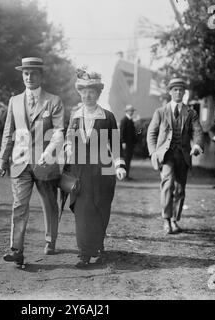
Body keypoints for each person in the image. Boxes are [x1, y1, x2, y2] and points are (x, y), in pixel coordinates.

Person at [0, 57, 64, 265]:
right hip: (20, 162)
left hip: (45, 163)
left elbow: (59, 132)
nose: (29, 77)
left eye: (33, 73)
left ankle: (50, 240)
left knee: (49, 204)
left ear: (41, 76)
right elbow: (8, 133)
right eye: (25, 73)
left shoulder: (54, 101)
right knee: (19, 205)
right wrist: (1, 158)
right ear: (22, 75)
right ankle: (16, 249)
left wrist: (49, 152)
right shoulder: (14, 101)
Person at [65, 67, 127, 268]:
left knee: (100, 210)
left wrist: (119, 165)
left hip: (103, 172)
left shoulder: (107, 116)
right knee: (83, 212)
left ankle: (98, 245)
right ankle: (84, 253)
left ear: (99, 93)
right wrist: (67, 149)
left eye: (92, 91)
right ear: (80, 93)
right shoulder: (75, 116)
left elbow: (115, 143)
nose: (88, 95)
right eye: (84, 91)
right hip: (80, 173)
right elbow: (68, 139)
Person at [146, 77, 204, 235]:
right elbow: (151, 133)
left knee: (179, 189)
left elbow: (197, 131)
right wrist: (153, 152)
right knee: (168, 184)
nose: (178, 92)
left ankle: (174, 220)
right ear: (170, 92)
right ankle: (166, 219)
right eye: (175, 90)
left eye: (181, 90)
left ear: (184, 92)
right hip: (166, 155)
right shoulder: (160, 112)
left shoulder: (191, 113)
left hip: (183, 155)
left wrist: (197, 145)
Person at [120, 104, 138, 180]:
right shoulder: (124, 120)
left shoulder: (130, 120)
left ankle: (126, 175)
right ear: (127, 111)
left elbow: (132, 133)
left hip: (130, 144)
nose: (132, 112)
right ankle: (124, 176)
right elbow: (122, 132)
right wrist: (123, 142)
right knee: (126, 160)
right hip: (126, 144)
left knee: (128, 159)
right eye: (131, 111)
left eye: (132, 111)